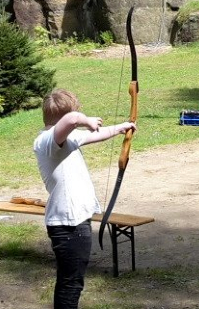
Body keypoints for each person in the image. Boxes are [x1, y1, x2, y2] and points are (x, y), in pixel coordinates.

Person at [33, 89, 136, 308]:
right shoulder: (47, 141)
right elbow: (72, 120)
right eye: (75, 114)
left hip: (74, 222)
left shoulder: (66, 139)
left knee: (71, 281)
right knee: (71, 284)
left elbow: (94, 134)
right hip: (68, 225)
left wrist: (121, 128)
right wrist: (84, 120)